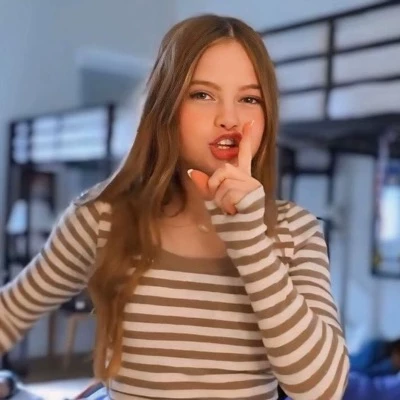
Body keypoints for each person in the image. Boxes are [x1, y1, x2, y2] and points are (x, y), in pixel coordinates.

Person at [0, 14, 349, 400]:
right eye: (202, 95)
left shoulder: (297, 230)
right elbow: (10, 312)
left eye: (249, 99)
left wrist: (250, 240)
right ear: (166, 106)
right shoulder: (104, 216)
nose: (229, 119)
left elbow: (323, 390)